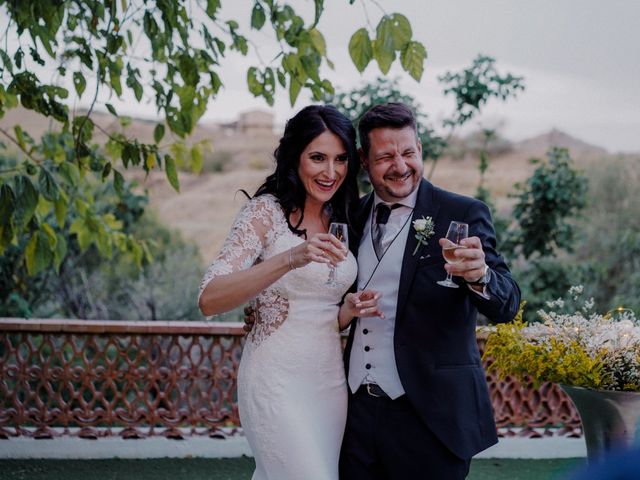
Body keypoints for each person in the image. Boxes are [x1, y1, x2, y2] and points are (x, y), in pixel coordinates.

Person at [198, 105, 383, 480]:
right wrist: (289, 259)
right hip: (275, 380)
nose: (330, 172)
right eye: (317, 158)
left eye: (340, 159)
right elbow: (209, 298)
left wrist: (346, 310)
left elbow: (319, 308)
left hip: (329, 382)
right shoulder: (264, 213)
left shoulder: (344, 215)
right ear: (294, 157)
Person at [337, 102, 521, 479]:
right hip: (354, 414)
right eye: (386, 156)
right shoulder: (350, 217)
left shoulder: (462, 213)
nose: (401, 166)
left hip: (433, 417)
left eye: (408, 152)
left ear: (420, 148)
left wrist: (479, 275)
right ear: (363, 159)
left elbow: (508, 304)